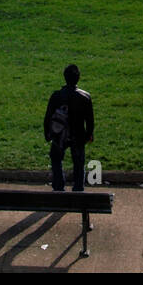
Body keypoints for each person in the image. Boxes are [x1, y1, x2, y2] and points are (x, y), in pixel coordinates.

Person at [44, 64, 95, 192]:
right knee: (78, 163)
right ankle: (78, 189)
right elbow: (90, 120)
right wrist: (89, 134)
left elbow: (48, 117)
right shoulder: (85, 97)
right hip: (78, 135)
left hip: (60, 134)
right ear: (78, 78)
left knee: (56, 159)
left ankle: (59, 187)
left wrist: (47, 134)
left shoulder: (56, 96)